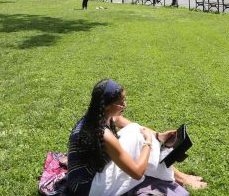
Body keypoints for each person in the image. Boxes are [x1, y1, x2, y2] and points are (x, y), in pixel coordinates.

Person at [64, 79, 207, 196]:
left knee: (135, 130)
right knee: (140, 141)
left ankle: (178, 176)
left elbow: (127, 123)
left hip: (91, 174)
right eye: (121, 102)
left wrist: (157, 136)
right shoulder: (103, 134)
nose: (124, 105)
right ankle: (180, 177)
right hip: (88, 189)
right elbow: (137, 173)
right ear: (107, 106)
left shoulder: (97, 114)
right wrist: (148, 142)